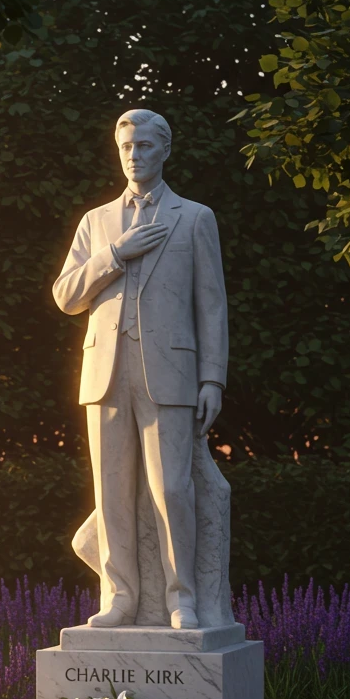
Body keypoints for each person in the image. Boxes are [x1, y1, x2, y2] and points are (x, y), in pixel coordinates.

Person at [53, 109, 228, 630]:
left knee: (172, 487)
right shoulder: (96, 222)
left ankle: (181, 597)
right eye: (127, 146)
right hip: (105, 373)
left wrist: (212, 378)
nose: (134, 156)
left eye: (145, 146)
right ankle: (120, 597)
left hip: (169, 373)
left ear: (165, 150)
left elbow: (211, 306)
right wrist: (114, 254)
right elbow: (65, 296)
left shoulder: (194, 218)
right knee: (110, 490)